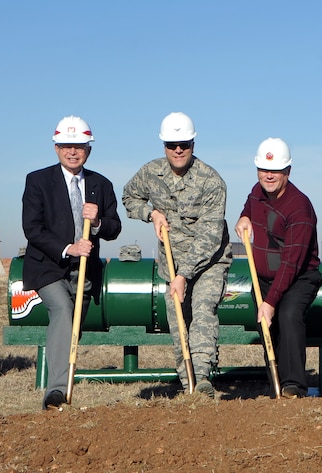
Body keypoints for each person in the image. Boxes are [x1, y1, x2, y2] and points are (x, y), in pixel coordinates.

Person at [122, 112, 231, 398]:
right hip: (170, 261)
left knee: (203, 308)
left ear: (193, 144)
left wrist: (183, 274)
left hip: (209, 261)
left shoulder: (211, 181)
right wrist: (151, 213)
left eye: (184, 144)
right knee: (178, 319)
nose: (178, 150)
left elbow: (209, 236)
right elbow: (129, 197)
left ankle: (203, 377)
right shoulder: (150, 173)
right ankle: (188, 384)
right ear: (164, 146)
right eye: (172, 145)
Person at [22, 116, 122, 410]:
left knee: (73, 323)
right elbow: (33, 228)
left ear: (88, 149)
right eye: (66, 146)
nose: (72, 152)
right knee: (64, 310)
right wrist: (68, 248)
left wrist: (99, 221)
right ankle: (56, 393)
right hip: (47, 266)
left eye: (78, 146)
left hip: (85, 272)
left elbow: (115, 228)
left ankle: (62, 382)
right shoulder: (38, 181)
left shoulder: (101, 184)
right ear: (56, 148)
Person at [235, 137, 322, 399]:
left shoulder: (299, 207)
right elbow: (250, 204)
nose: (268, 175)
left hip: (299, 277)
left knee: (287, 315)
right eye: (263, 169)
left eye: (275, 171)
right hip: (262, 276)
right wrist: (244, 216)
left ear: (288, 172)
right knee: (267, 327)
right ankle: (276, 383)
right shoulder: (257, 191)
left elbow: (291, 262)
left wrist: (271, 301)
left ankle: (294, 385)